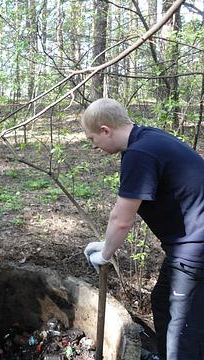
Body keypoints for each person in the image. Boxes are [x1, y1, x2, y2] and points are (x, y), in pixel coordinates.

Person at [81, 98, 204, 360]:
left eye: (93, 138)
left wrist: (106, 254)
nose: (93, 146)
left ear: (105, 130)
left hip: (196, 250)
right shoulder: (147, 138)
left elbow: (122, 219)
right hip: (186, 245)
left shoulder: (140, 153)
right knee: (162, 302)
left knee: (181, 331)